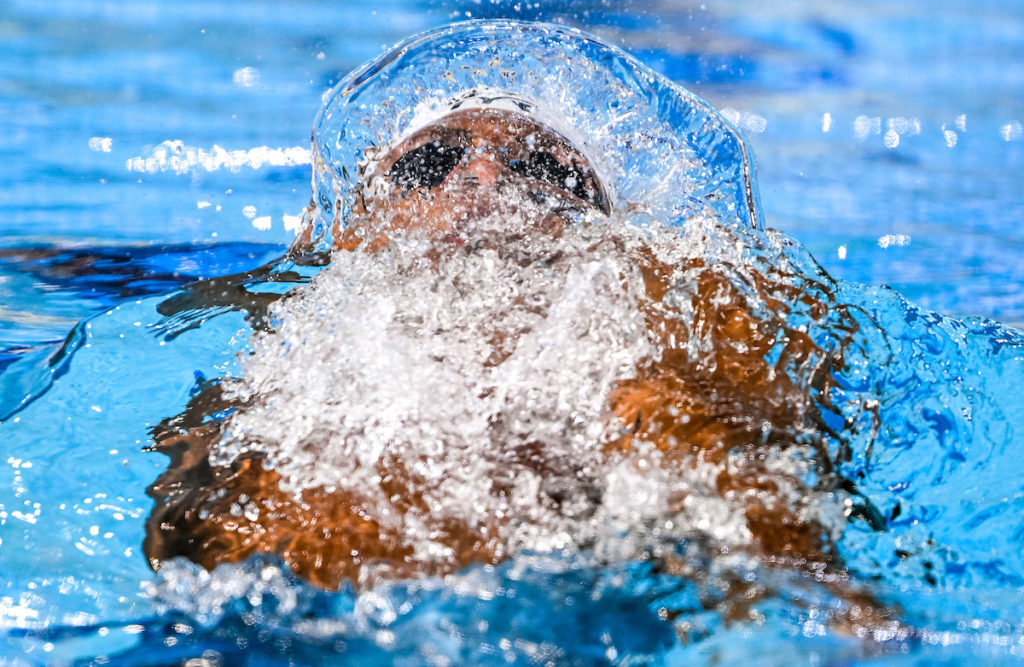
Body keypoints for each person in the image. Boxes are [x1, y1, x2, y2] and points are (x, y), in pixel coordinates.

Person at [144, 105, 889, 627]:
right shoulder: (297, 333)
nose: (486, 180)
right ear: (352, 229)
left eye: (545, 168)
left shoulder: (665, 337)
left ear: (613, 235)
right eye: (430, 165)